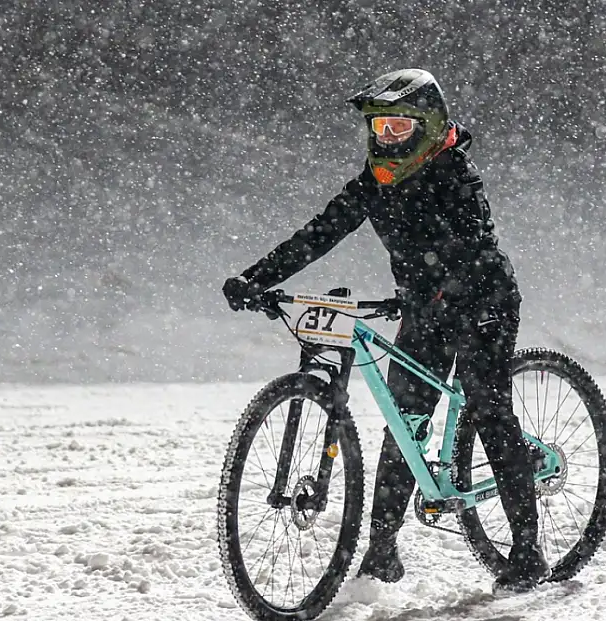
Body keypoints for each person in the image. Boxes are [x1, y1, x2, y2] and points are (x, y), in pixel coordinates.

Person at [222, 68, 549, 593]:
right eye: (379, 129)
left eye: (399, 128)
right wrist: (255, 278)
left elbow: (476, 242)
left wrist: (448, 284)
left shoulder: (454, 172)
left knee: (487, 409)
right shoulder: (374, 184)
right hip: (425, 309)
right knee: (404, 423)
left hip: (482, 302)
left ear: (427, 126)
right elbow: (319, 233)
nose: (386, 139)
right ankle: (381, 551)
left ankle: (528, 551)